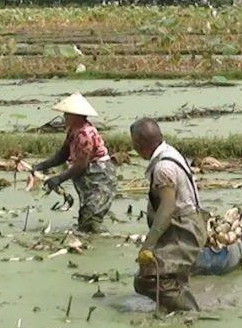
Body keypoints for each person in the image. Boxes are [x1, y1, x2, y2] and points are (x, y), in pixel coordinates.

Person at [129, 118, 209, 312]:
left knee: (147, 278)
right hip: (188, 223)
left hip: (184, 229)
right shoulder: (169, 152)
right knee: (171, 276)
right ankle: (172, 309)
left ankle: (188, 311)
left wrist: (148, 245)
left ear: (138, 144)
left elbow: (167, 207)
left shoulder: (163, 168)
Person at [33, 93, 118, 233]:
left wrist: (58, 179)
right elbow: (62, 154)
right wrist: (40, 166)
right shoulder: (73, 131)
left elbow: (81, 165)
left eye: (67, 114)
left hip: (99, 178)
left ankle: (101, 243)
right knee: (85, 217)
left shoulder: (85, 134)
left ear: (76, 116)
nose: (65, 117)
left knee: (90, 218)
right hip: (87, 178)